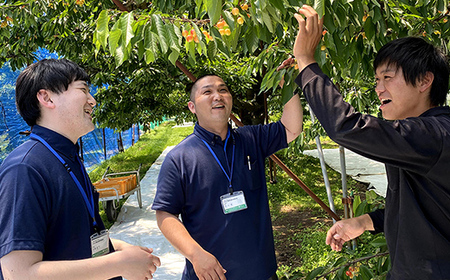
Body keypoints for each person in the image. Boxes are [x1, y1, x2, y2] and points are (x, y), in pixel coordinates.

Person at [293, 5, 450, 280]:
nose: (379, 89)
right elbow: (418, 207)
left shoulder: (435, 135)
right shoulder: (418, 139)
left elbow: (346, 127)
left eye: (387, 78)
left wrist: (306, 61)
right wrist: (365, 222)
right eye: (377, 80)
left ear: (425, 81)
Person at [0, 58, 161, 280]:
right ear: (46, 97)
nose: (92, 100)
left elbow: (69, 238)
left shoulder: (67, 156)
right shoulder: (25, 168)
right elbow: (19, 274)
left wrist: (121, 249)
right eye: (83, 89)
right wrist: (118, 264)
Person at [151, 71, 303, 280]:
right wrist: (195, 255)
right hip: (211, 276)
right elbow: (165, 214)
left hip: (261, 272)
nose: (218, 96)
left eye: (223, 90)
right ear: (192, 107)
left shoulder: (251, 139)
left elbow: (291, 128)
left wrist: (287, 84)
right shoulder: (180, 158)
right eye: (207, 92)